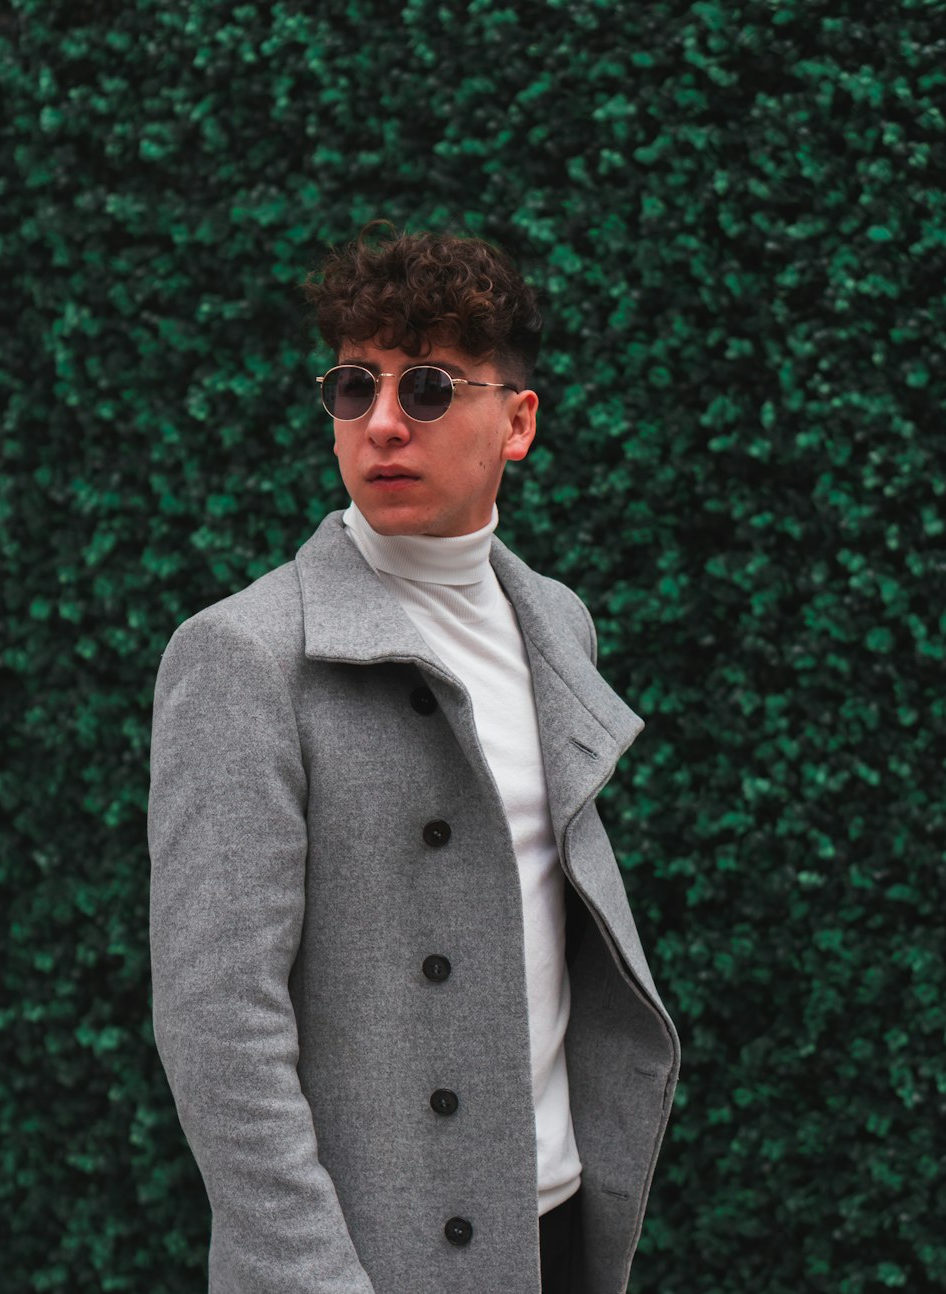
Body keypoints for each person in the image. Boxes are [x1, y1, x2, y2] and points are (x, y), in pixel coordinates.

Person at [148, 222, 679, 1294]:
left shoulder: (555, 623)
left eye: (429, 387)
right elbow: (219, 1028)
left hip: (558, 1231)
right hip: (376, 1259)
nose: (383, 422)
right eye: (354, 387)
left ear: (516, 421)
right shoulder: (246, 654)